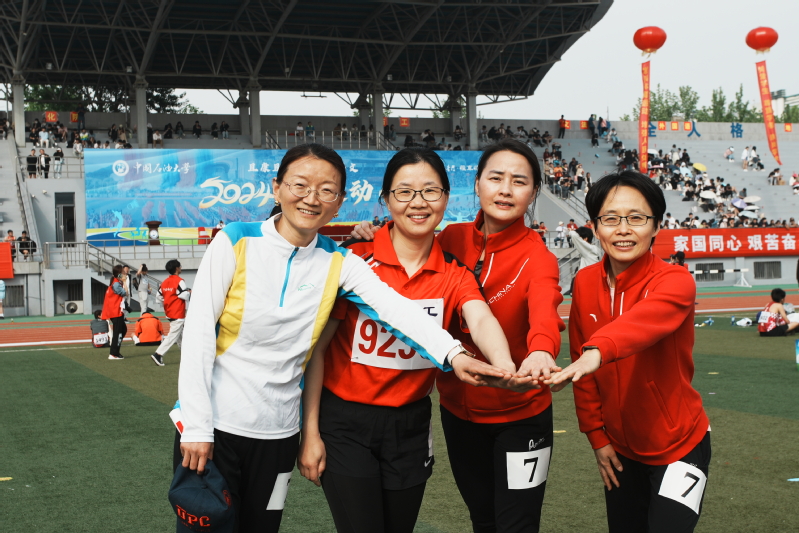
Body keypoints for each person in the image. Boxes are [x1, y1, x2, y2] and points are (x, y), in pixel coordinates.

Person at [176, 144, 508, 533]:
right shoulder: (234, 240)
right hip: (216, 429)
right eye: (300, 185)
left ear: (339, 202)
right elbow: (198, 333)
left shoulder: (340, 262)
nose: (311, 198)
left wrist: (454, 354)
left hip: (280, 435)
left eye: (327, 190)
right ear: (277, 188)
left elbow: (395, 309)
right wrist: (197, 427)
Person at [349, 138, 565, 532]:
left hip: (521, 414)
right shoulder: (449, 239)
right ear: (477, 184)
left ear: (534, 192)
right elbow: (403, 246)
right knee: (482, 518)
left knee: (517, 524)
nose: (505, 189)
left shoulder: (539, 258)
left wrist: (541, 351)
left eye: (519, 181)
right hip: (459, 414)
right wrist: (369, 232)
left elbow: (545, 314)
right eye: (495, 178)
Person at [298, 148, 518, 533]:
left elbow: (481, 317)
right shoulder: (353, 260)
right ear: (386, 200)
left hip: (411, 426)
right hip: (344, 424)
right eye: (404, 192)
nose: (418, 203)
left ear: (446, 198)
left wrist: (504, 366)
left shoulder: (455, 272)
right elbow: (317, 350)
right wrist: (310, 432)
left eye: (430, 191)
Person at [548, 170, 711, 533]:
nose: (623, 230)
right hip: (619, 448)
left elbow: (639, 324)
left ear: (656, 225)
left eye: (636, 218)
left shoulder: (675, 281)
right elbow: (583, 372)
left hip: (679, 444)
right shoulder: (584, 282)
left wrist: (596, 352)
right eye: (611, 219)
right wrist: (597, 437)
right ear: (596, 227)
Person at [151, 259, 191, 366]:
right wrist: (189, 293)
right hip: (178, 312)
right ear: (177, 268)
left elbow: (158, 297)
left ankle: (186, 356)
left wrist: (169, 300)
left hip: (169, 311)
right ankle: (158, 354)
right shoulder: (180, 281)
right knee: (173, 335)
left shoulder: (164, 282)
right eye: (180, 266)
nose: (181, 268)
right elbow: (184, 295)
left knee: (180, 335)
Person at [101, 265, 128, 360]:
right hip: (115, 312)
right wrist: (125, 282)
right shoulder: (116, 284)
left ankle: (115, 351)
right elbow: (126, 293)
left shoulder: (115, 282)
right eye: (123, 272)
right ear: (119, 274)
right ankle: (113, 353)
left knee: (122, 330)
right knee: (118, 332)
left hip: (116, 311)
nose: (125, 273)